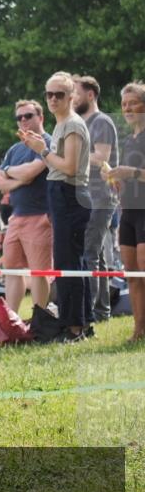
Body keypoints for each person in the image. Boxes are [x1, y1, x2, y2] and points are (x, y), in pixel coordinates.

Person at [20, 72, 93, 342]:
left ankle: (75, 327)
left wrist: (42, 150)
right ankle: (81, 323)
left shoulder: (72, 124)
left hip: (70, 194)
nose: (52, 99)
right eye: (48, 94)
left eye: (58, 94)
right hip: (62, 193)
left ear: (71, 96)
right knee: (71, 261)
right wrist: (40, 146)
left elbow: (70, 167)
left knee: (68, 263)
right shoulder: (63, 124)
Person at [0, 100, 53, 313]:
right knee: (12, 271)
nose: (23, 120)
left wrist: (11, 172)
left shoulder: (48, 142)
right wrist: (17, 176)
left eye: (28, 115)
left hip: (41, 216)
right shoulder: (14, 149)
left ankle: (40, 319)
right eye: (19, 117)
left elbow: (31, 172)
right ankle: (12, 320)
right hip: (16, 218)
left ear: (41, 117)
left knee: (40, 272)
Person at [74, 75, 120, 323]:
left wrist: (72, 154)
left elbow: (102, 156)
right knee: (98, 257)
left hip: (100, 196)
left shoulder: (101, 121)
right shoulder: (80, 122)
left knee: (88, 254)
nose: (72, 99)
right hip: (86, 196)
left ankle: (87, 313)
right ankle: (101, 312)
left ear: (90, 95)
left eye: (77, 93)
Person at [104, 81, 145, 342]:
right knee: (131, 274)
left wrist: (132, 173)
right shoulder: (129, 140)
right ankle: (139, 330)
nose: (128, 108)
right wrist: (118, 180)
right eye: (124, 104)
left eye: (133, 103)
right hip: (129, 211)